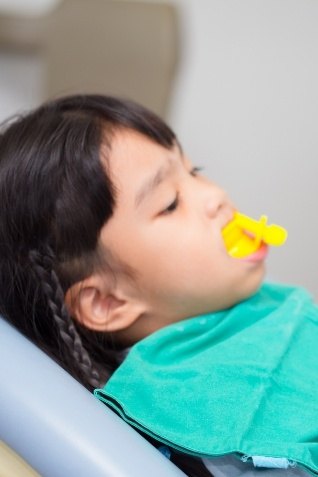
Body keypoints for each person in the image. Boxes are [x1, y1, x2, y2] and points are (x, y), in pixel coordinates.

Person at [0, 95, 313, 477]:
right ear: (106, 302)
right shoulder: (196, 417)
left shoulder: (256, 309)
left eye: (194, 170)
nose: (216, 196)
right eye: (170, 203)